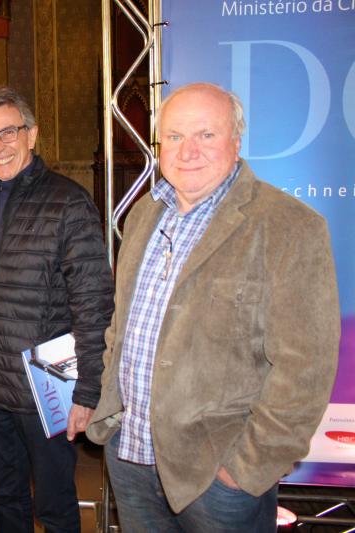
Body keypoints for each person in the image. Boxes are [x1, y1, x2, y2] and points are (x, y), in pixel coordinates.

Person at [87, 82, 340, 532]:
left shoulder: (289, 227)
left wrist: (244, 470)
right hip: (131, 457)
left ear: (236, 141)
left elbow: (305, 370)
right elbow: (120, 328)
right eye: (176, 137)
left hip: (216, 476)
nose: (188, 151)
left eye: (206, 135)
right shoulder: (143, 214)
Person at [0, 85, 115, 533]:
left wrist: (87, 391)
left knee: (55, 506)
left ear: (32, 135)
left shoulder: (68, 201)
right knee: (5, 500)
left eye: (8, 132)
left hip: (48, 383)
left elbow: (93, 303)